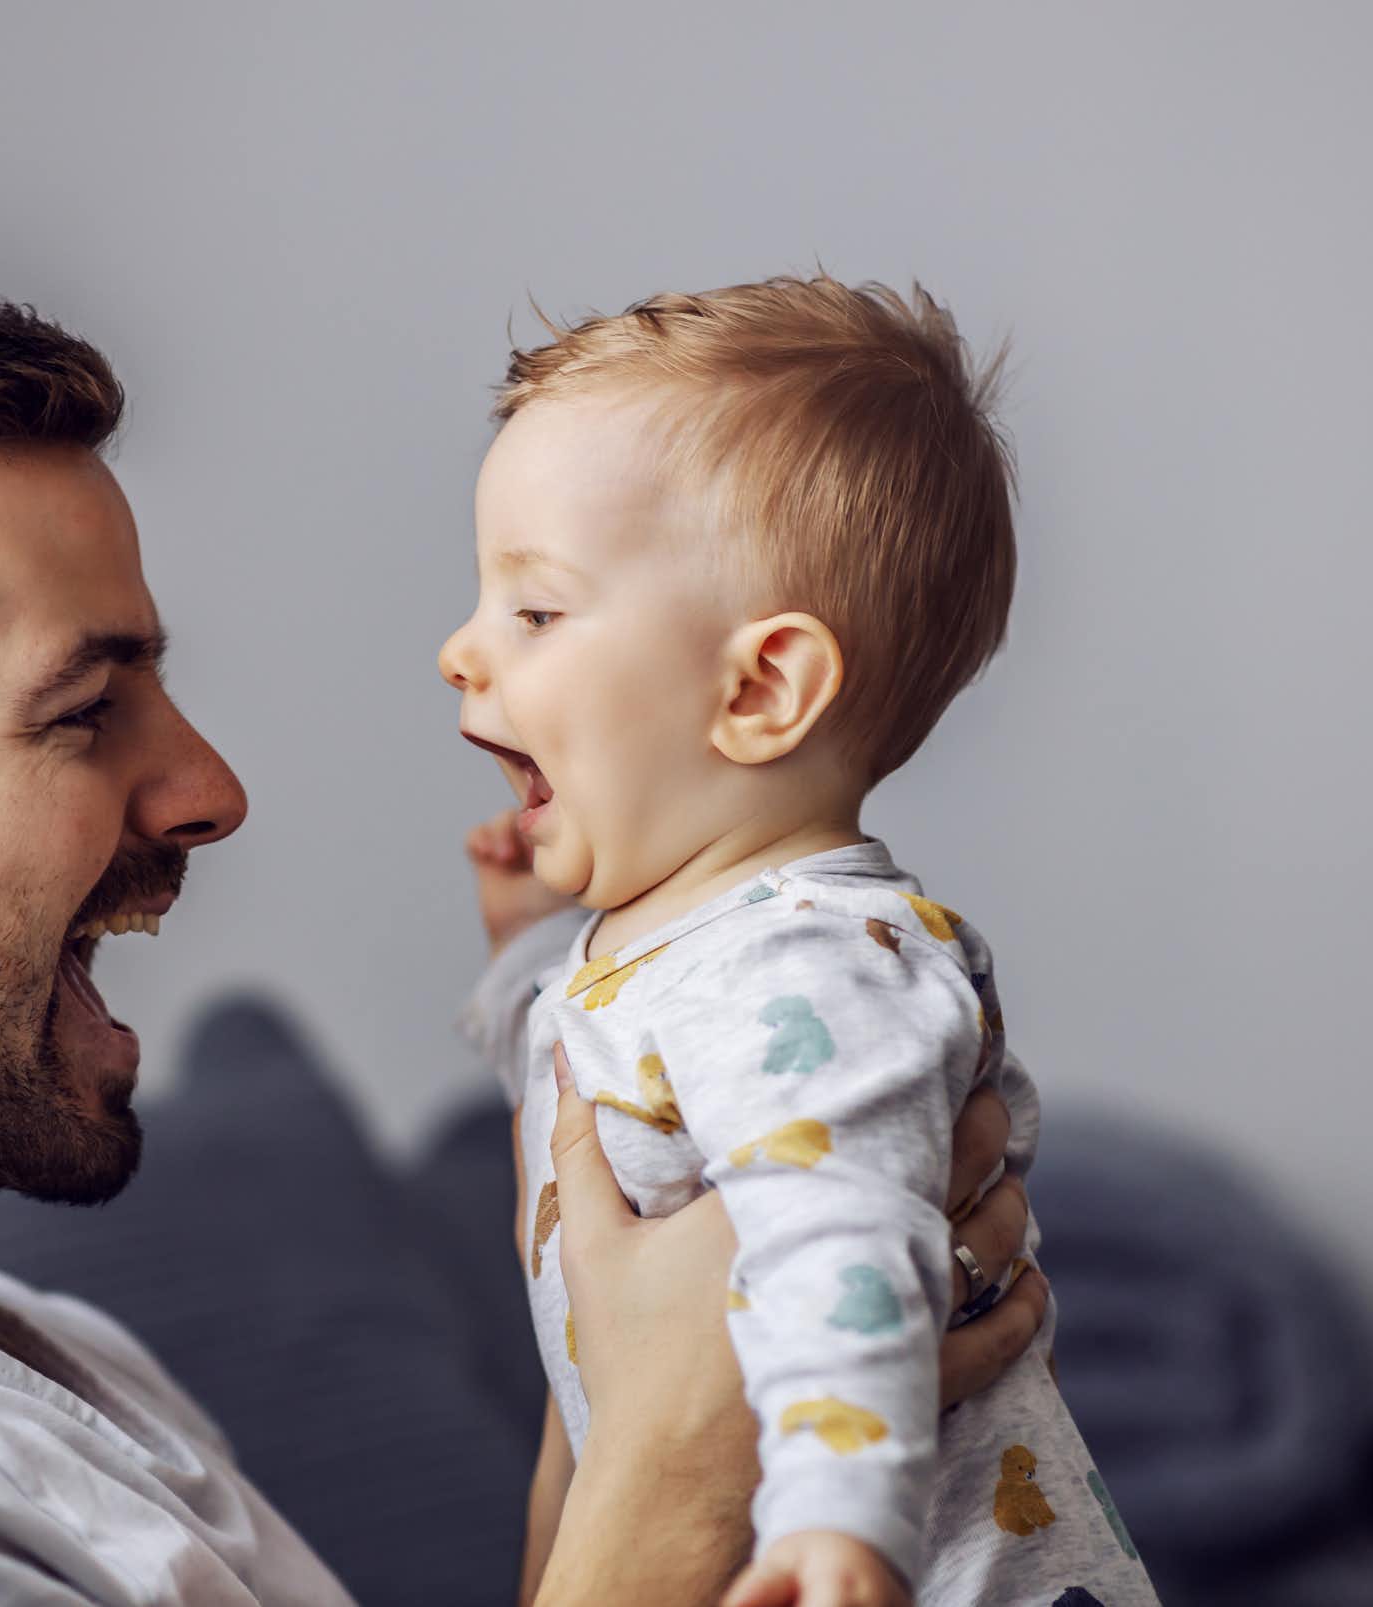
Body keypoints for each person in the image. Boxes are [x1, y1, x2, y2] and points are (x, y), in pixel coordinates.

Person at [0, 286, 1048, 1605]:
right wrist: (683, 1466)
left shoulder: (43, 1358)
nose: (211, 790)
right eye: (84, 710)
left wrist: (638, 1362)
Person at [442, 276, 1154, 1607]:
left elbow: (843, 1244)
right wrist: (529, 969)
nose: (457, 652)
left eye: (533, 612)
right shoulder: (686, 952)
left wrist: (844, 1526)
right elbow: (618, 1129)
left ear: (761, 688)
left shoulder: (819, 966)